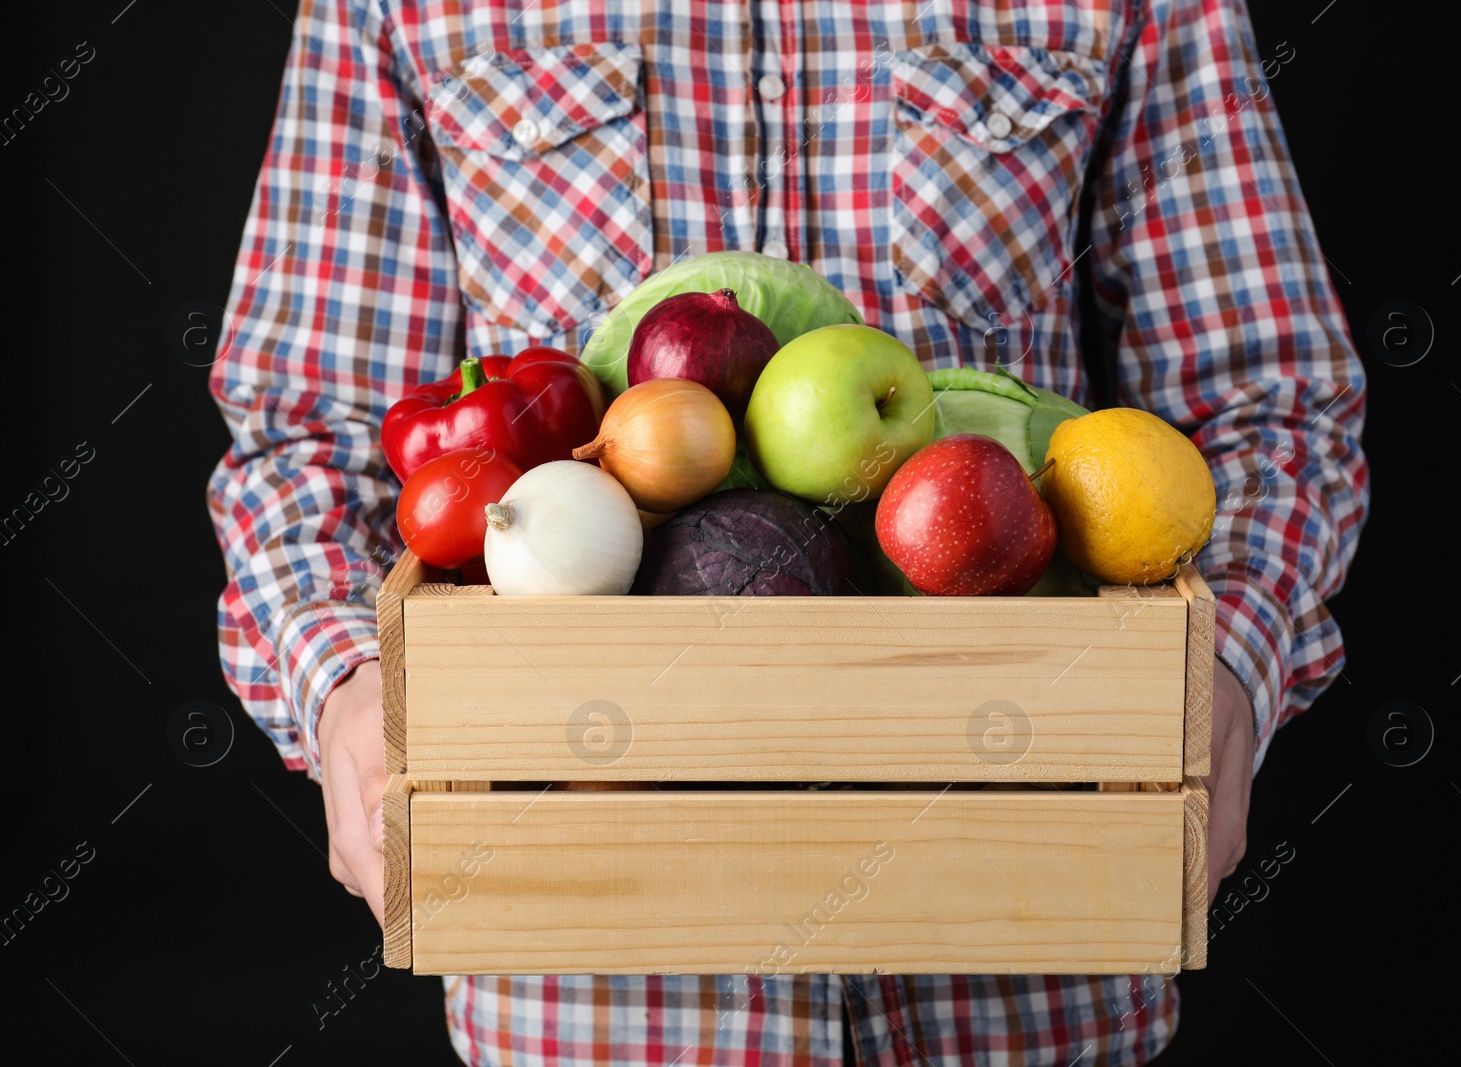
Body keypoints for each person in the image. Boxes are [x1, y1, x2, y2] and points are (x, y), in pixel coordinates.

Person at [207, 1, 1368, 1063]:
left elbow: (1271, 404)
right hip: (597, 989)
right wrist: (351, 685)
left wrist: (1223, 675)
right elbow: (306, 431)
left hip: (1015, 958)